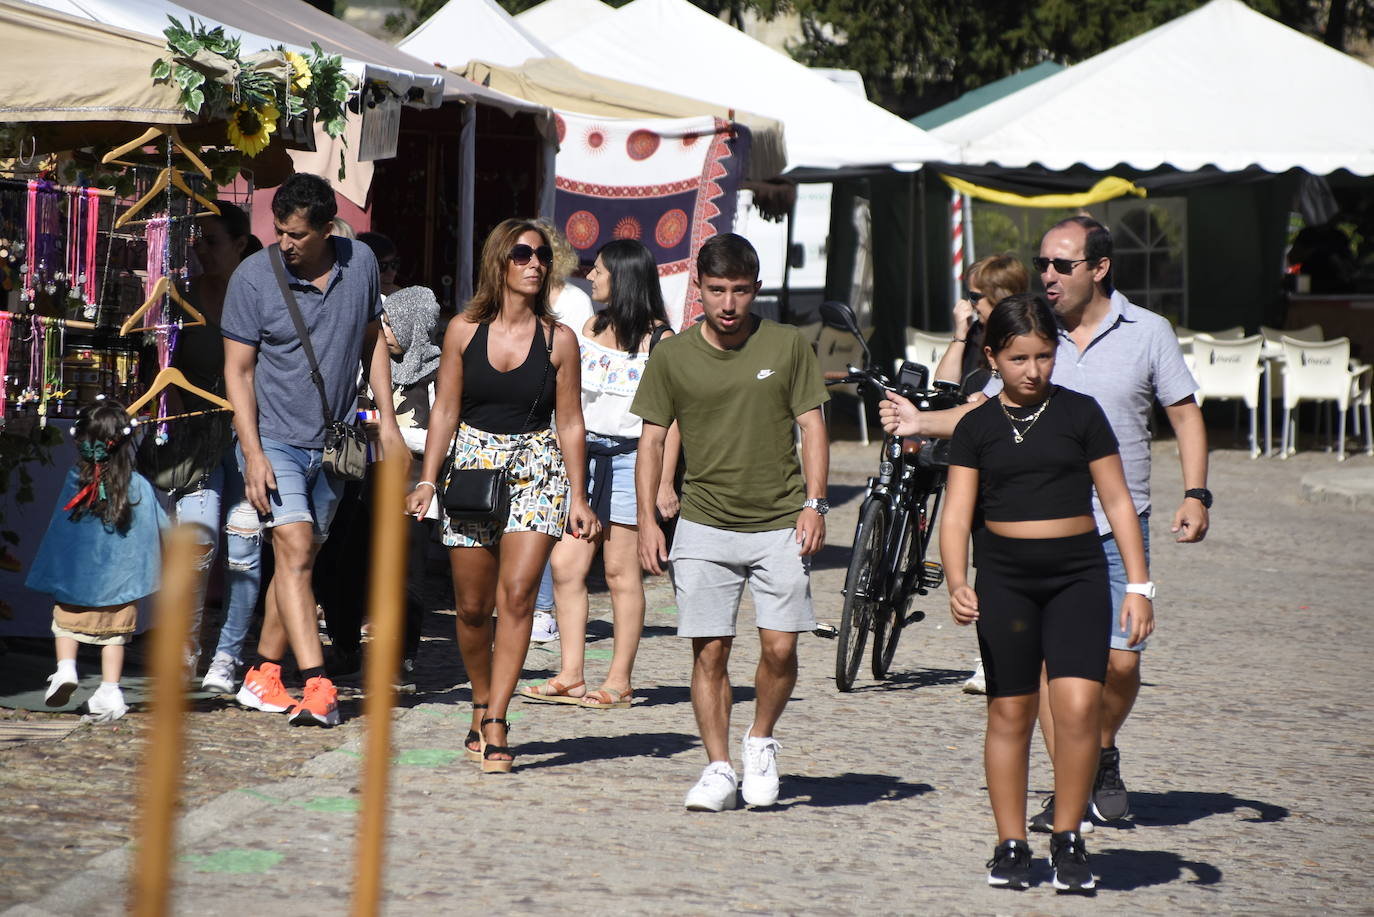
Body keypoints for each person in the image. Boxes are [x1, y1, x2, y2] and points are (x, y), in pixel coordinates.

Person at [880, 215, 1209, 829]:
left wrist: (1196, 493)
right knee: (1055, 682)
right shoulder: (1034, 332)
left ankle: (1098, 749)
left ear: (1099, 268)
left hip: (1113, 528)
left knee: (1122, 665)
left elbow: (1185, 416)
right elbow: (984, 414)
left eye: (1062, 265)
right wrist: (918, 423)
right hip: (1027, 537)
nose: (1048, 276)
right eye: (1044, 265)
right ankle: (1071, 800)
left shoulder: (1148, 333)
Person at [942, 293, 1152, 893]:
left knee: (1080, 708)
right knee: (1010, 710)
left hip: (1078, 576)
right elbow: (957, 517)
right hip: (1005, 579)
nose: (1034, 370)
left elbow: (1118, 502)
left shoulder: (1081, 414)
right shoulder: (976, 425)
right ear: (993, 357)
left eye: (1044, 355)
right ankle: (1011, 843)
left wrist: (1138, 585)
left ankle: (1068, 837)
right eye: (1018, 358)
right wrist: (958, 580)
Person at [632, 233, 828, 811]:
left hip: (779, 521)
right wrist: (648, 520)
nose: (727, 304)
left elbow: (812, 426)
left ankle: (761, 740)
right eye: (717, 290)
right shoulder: (672, 355)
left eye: (739, 291)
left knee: (781, 649)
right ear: (699, 290)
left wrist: (815, 503)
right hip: (703, 522)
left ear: (755, 290)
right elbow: (651, 440)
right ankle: (718, 767)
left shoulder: (788, 345)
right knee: (709, 651)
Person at [405, 218, 597, 773]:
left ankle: (496, 720)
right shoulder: (464, 330)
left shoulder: (559, 340)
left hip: (538, 468)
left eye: (541, 256)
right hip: (471, 467)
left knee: (516, 598)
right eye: (523, 254)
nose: (535, 263)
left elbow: (571, 424)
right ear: (500, 262)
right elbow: (444, 408)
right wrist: (426, 478)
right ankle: (479, 697)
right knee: (469, 607)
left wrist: (579, 497)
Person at [221, 173, 406, 728]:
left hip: (333, 443)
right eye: (279, 231)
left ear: (328, 229)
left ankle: (262, 675)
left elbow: (373, 341)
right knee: (296, 549)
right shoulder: (253, 279)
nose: (285, 243)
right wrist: (252, 452)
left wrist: (387, 420)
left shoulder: (361, 264)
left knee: (300, 562)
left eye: (297, 235)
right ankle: (320, 684)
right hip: (272, 437)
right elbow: (238, 371)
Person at [519, 238, 679, 709]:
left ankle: (619, 680)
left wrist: (665, 482)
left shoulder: (661, 340)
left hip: (634, 458)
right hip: (583, 456)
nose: (590, 278)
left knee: (619, 572)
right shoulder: (590, 325)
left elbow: (673, 422)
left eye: (601, 271)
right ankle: (569, 675)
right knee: (567, 565)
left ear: (624, 278)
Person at [159, 202, 266, 696]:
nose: (200, 250)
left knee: (244, 553)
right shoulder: (180, 297)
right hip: (197, 439)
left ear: (241, 244)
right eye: (196, 241)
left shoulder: (264, 299)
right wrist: (179, 414)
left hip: (251, 440)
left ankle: (226, 657)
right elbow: (162, 363)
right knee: (197, 546)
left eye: (211, 240)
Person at [27, 400, 167, 723]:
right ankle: (110, 688)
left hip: (77, 581)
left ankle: (65, 669)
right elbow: (163, 524)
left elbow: (59, 530)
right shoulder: (138, 486)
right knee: (115, 636)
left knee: (65, 625)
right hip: (121, 584)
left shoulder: (76, 480)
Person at [929, 253, 1029, 696]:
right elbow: (943, 389)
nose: (967, 303)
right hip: (972, 465)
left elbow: (981, 406)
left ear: (999, 298)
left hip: (1006, 468)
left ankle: (1006, 654)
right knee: (983, 560)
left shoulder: (1020, 344)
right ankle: (990, 654)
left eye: (975, 296)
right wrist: (958, 334)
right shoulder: (976, 341)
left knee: (1001, 562)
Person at [529, 218, 595, 644]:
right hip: (528, 422)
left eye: (539, 254)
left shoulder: (573, 300)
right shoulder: (517, 300)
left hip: (561, 419)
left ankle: (543, 609)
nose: (532, 263)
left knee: (552, 521)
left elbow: (580, 366)